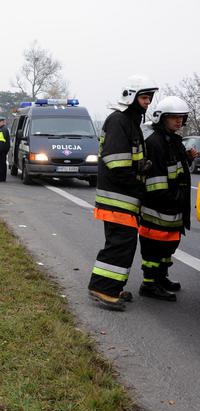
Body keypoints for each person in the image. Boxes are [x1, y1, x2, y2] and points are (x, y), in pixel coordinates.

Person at [88, 75, 158, 310]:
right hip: (118, 197)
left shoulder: (130, 122)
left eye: (149, 98)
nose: (148, 102)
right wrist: (138, 185)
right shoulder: (119, 121)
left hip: (124, 197)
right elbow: (116, 162)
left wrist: (142, 167)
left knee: (122, 243)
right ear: (132, 97)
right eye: (145, 97)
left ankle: (112, 287)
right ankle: (102, 289)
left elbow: (127, 160)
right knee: (121, 244)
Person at [138, 96, 198, 301]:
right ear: (161, 118)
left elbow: (175, 169)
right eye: (173, 117)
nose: (178, 121)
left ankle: (161, 277)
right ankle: (150, 284)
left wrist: (187, 158)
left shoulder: (173, 140)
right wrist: (171, 198)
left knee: (168, 245)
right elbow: (155, 180)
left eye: (181, 117)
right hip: (159, 207)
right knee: (154, 248)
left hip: (172, 207)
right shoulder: (155, 142)